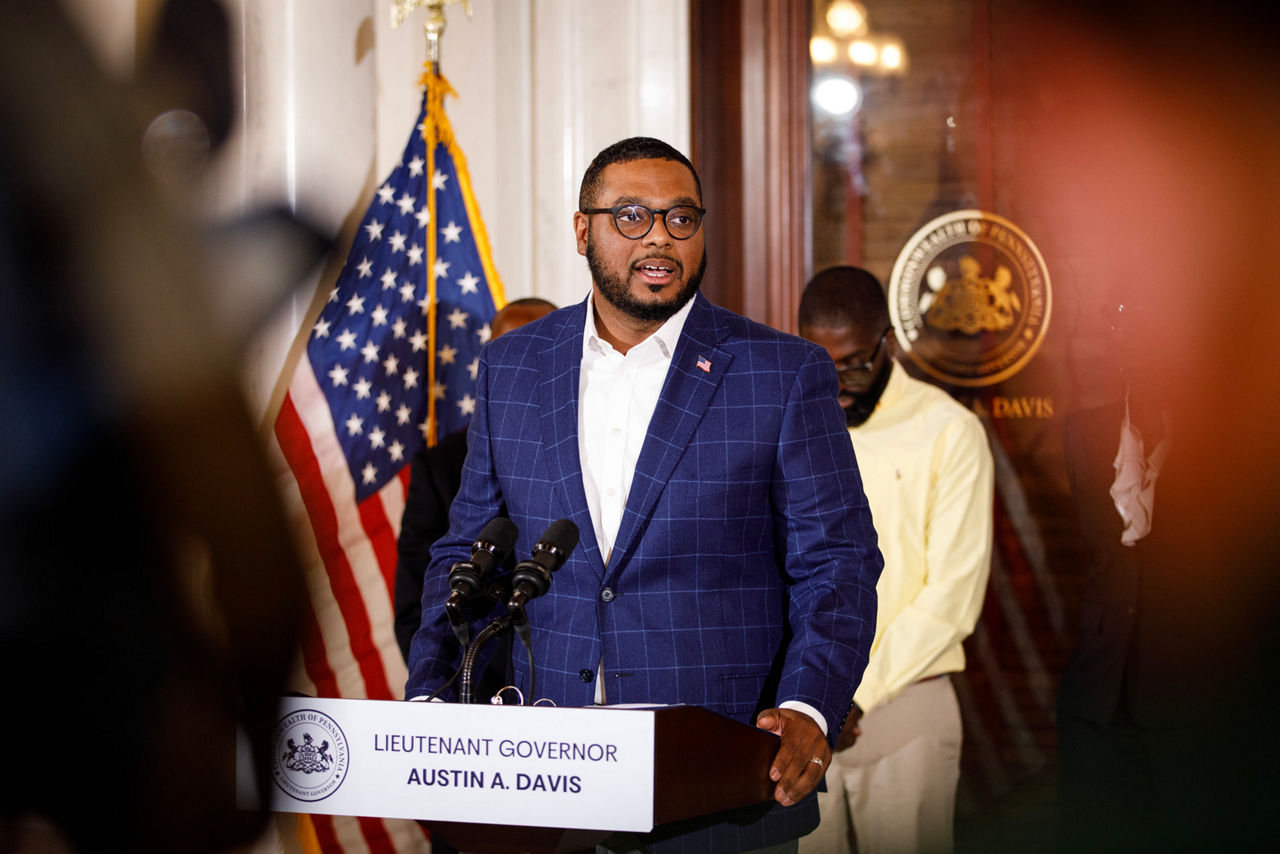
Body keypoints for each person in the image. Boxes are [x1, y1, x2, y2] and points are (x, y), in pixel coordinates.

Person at [405, 136, 882, 853]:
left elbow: (837, 563)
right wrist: (427, 696)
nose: (659, 237)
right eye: (631, 216)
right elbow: (464, 549)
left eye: (680, 219)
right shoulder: (512, 366)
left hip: (718, 790)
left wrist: (809, 703)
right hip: (542, 789)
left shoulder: (781, 373)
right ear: (582, 230)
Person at [796, 266, 993, 854]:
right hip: (802, 709)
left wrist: (853, 693)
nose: (838, 384)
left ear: (889, 340)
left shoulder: (949, 432)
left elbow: (950, 599)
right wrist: (811, 695)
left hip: (904, 708)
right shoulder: (791, 423)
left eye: (855, 363)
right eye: (821, 363)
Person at [393, 297, 557, 665]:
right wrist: (441, 683)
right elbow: (416, 601)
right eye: (509, 354)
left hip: (562, 673)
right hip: (475, 678)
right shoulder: (439, 466)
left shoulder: (596, 450)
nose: (521, 369)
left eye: (536, 353)